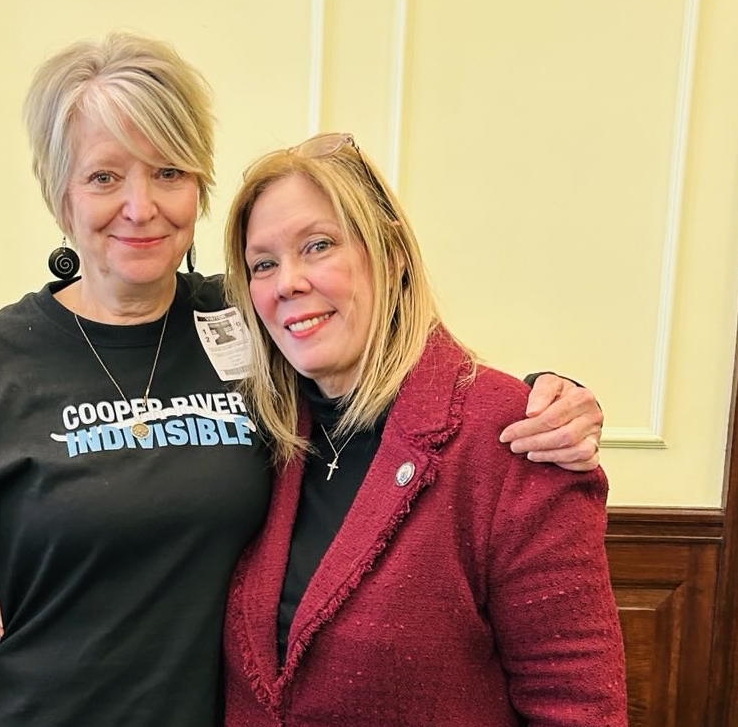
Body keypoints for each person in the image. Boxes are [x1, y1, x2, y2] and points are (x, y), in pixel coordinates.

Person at [0, 34, 605, 726]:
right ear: (59, 192)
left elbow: (389, 359)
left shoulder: (248, 321)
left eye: (168, 171)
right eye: (105, 176)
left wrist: (548, 394)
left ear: (198, 187)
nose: (141, 206)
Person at [219, 133, 627, 726]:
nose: (287, 282)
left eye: (319, 246)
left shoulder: (512, 437)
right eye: (264, 263)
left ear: (392, 255)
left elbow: (579, 708)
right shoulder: (260, 433)